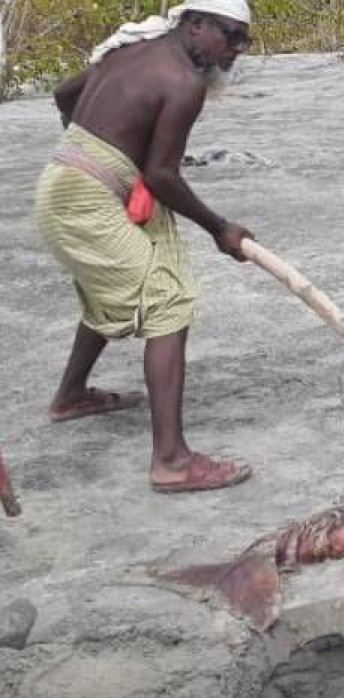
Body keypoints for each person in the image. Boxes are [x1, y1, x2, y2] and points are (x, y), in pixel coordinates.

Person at [34, 0, 257, 493]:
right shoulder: (183, 82)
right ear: (195, 24)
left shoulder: (130, 51)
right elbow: (160, 173)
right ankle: (172, 461)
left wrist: (103, 145)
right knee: (168, 302)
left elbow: (64, 93)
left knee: (124, 276)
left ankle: (71, 396)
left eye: (245, 40)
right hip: (85, 198)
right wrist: (219, 228)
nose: (236, 49)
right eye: (230, 35)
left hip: (63, 182)